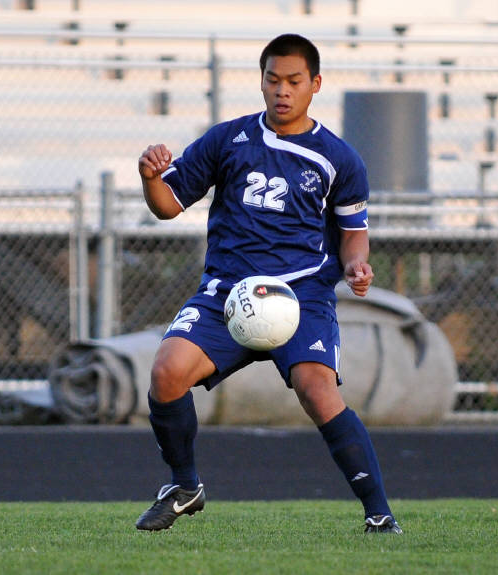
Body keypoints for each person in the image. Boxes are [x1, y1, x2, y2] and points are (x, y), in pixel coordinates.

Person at [135, 33, 402, 534]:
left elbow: (354, 234)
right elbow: (168, 206)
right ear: (260, 81)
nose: (282, 90)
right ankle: (184, 486)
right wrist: (151, 178)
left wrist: (356, 266)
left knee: (318, 391)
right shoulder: (227, 139)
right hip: (227, 294)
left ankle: (379, 513)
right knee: (167, 372)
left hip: (302, 295)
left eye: (294, 81)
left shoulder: (340, 158)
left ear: (315, 84)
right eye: (273, 79)